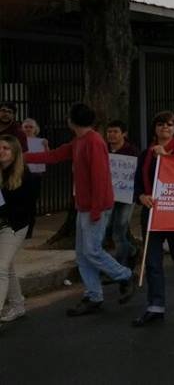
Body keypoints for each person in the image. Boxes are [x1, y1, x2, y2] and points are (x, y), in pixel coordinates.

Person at [24, 103, 134, 316]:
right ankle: (94, 295)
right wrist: (25, 156)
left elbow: (100, 178)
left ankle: (124, 275)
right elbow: (55, 155)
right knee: (83, 255)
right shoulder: (80, 140)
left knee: (91, 251)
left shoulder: (93, 141)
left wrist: (96, 209)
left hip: (95, 207)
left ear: (71, 121)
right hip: (86, 206)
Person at [132, 111, 174, 327]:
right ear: (155, 128)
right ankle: (156, 307)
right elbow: (137, 183)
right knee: (152, 261)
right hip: (152, 213)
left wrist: (165, 158)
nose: (165, 128)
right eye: (161, 124)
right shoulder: (145, 154)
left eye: (169, 125)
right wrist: (141, 196)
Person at [0, 135, 40, 326]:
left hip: (15, 226)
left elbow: (27, 209)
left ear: (15, 152)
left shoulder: (26, 176)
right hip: (1, 223)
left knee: (0, 268)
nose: (1, 151)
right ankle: (17, 305)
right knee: (7, 267)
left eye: (6, 148)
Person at [104, 120, 139, 267]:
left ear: (124, 134)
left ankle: (122, 265)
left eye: (115, 132)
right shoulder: (103, 149)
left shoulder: (132, 151)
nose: (111, 135)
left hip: (127, 197)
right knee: (107, 228)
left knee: (119, 231)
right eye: (109, 132)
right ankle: (131, 250)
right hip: (108, 196)